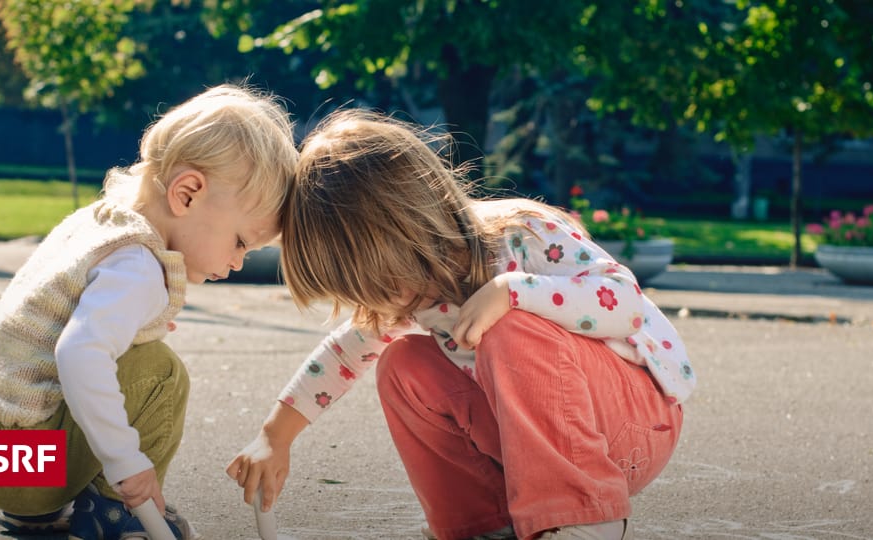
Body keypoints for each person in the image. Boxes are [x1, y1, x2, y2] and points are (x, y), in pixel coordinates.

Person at [227, 109, 696, 540]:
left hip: (631, 423)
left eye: (381, 279)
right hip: (534, 449)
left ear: (413, 224)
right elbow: (341, 354)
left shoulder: (523, 235)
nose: (382, 299)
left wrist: (516, 291)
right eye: (363, 290)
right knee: (403, 364)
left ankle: (583, 517)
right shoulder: (412, 291)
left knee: (511, 327)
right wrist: (275, 437)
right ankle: (480, 524)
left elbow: (625, 305)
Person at [0, 83, 298, 539]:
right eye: (240, 242)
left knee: (129, 358)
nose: (237, 262)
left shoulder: (97, 224)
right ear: (188, 193)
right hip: (28, 464)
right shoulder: (139, 265)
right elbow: (78, 352)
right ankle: (114, 511)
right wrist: (128, 465)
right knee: (160, 372)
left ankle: (39, 512)